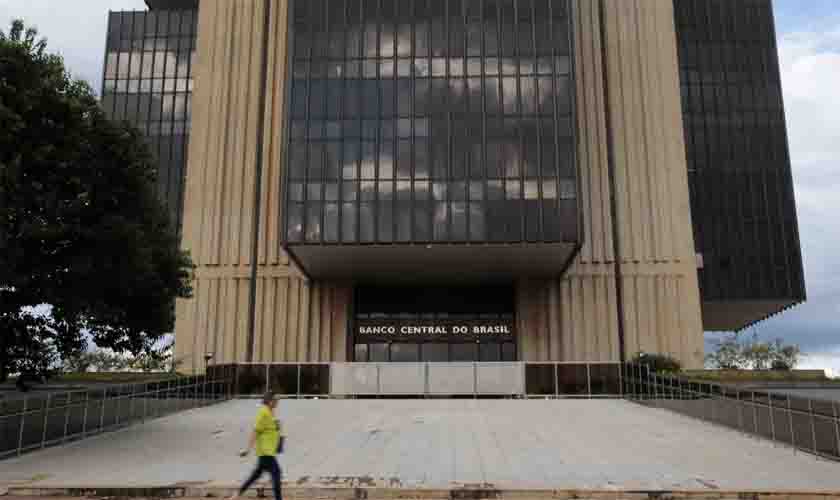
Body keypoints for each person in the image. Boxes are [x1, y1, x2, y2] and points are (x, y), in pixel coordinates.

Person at [231, 392, 285, 500]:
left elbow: (274, 429)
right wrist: (248, 449)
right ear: (269, 401)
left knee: (255, 475)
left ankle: (237, 494)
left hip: (269, 450)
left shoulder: (270, 412)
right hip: (265, 451)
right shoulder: (263, 413)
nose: (277, 402)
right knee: (276, 473)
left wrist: (279, 441)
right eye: (275, 400)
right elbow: (256, 431)